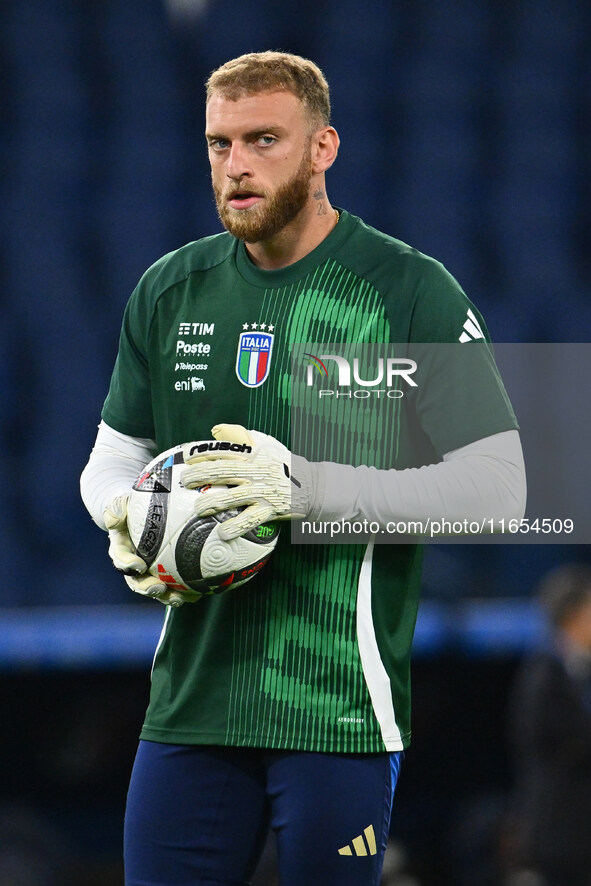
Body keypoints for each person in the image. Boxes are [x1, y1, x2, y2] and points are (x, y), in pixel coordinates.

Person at [80, 51, 526, 886]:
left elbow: (499, 488)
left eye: (262, 139)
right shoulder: (170, 290)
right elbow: (113, 455)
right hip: (188, 708)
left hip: (338, 708)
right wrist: (128, 520)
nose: (236, 165)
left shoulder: (406, 289)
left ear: (323, 148)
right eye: (218, 144)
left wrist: (306, 493)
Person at [506, 564, 591, 886]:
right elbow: (548, 741)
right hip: (560, 831)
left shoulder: (579, 669)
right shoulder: (544, 673)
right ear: (574, 614)